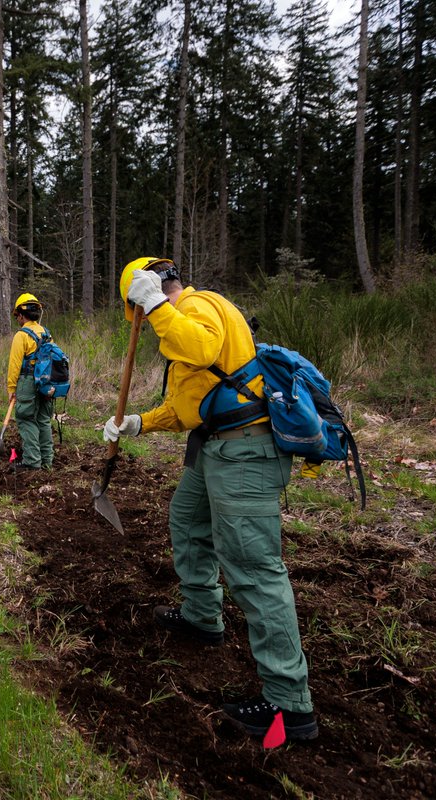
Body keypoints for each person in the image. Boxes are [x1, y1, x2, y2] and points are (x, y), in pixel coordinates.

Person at [104, 256, 317, 742]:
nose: (142, 318)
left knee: (254, 566)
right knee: (186, 519)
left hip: (244, 452)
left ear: (146, 294)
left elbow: (199, 349)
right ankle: (202, 616)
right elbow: (187, 405)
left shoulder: (201, 306)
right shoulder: (180, 320)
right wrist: (139, 422)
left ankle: (289, 703)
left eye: (137, 307)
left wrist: (156, 304)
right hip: (212, 446)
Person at [5, 293, 53, 471]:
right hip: (46, 382)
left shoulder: (22, 335)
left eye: (16, 315)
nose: (17, 319)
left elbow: (15, 364)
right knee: (43, 419)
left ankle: (32, 461)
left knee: (26, 419)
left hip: (28, 382)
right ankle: (47, 460)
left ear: (22, 314)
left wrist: (11, 388)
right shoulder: (46, 333)